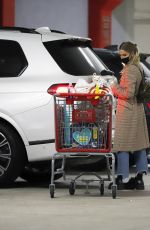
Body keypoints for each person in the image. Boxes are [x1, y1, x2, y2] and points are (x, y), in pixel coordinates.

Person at [109, 41, 149, 190]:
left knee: (122, 146)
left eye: (124, 55)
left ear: (131, 54)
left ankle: (122, 179)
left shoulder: (130, 70)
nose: (122, 57)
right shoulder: (138, 67)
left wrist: (114, 87)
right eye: (120, 55)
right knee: (139, 146)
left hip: (127, 112)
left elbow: (128, 93)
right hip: (136, 110)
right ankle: (139, 179)